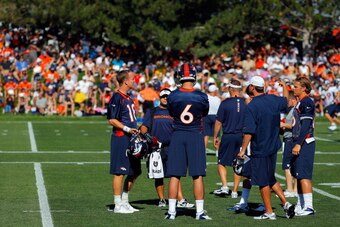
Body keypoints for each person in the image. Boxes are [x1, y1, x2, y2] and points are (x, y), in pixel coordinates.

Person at [238, 76, 295, 220]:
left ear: (252, 87)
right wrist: (284, 87)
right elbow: (287, 102)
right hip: (274, 145)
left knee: (263, 181)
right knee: (270, 177)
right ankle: (286, 203)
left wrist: (243, 150)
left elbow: (249, 131)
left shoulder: (252, 106)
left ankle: (269, 212)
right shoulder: (274, 99)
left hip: (261, 147)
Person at [164, 63, 211, 220]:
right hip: (195, 135)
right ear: (194, 76)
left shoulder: (173, 96)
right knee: (197, 175)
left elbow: (171, 112)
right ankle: (199, 212)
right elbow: (204, 113)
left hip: (178, 134)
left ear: (179, 76)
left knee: (174, 175)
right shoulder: (202, 96)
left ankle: (171, 212)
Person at [140, 88, 194, 208]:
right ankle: (161, 199)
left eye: (167, 97)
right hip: (156, 149)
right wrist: (147, 136)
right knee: (158, 175)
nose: (165, 98)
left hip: (173, 147)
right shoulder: (152, 111)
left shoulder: (175, 112)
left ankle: (180, 200)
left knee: (175, 174)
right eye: (163, 96)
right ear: (160, 97)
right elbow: (144, 127)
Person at [107, 70, 141, 214]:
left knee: (135, 171)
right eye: (132, 79)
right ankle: (117, 204)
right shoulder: (116, 97)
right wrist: (127, 128)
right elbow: (111, 119)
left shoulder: (128, 98)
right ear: (125, 81)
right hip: (121, 137)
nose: (134, 81)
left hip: (132, 138)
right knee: (119, 171)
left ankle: (125, 201)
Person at [213, 79, 246, 199]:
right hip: (242, 137)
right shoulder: (245, 102)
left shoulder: (225, 103)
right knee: (238, 163)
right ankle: (235, 191)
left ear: (230, 89)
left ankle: (225, 186)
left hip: (228, 135)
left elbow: (218, 122)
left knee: (221, 161)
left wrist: (216, 136)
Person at [291, 77, 316, 216]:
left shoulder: (306, 102)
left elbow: (306, 125)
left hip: (305, 142)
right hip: (299, 141)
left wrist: (298, 144)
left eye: (296, 86)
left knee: (304, 175)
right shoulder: (300, 102)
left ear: (304, 88)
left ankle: (309, 207)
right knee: (299, 174)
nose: (293, 88)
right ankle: (301, 204)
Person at [280, 91, 299, 198]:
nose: (287, 103)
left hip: (290, 139)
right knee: (293, 164)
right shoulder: (293, 110)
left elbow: (293, 125)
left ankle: (290, 189)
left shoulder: (295, 110)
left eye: (288, 100)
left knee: (286, 165)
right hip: (290, 138)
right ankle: (295, 189)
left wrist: (282, 124)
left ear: (292, 100)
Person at [204, 84, 221, 149]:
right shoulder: (217, 99)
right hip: (215, 117)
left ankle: (203, 153)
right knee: (216, 136)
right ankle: (218, 152)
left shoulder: (206, 98)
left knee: (206, 135)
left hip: (207, 116)